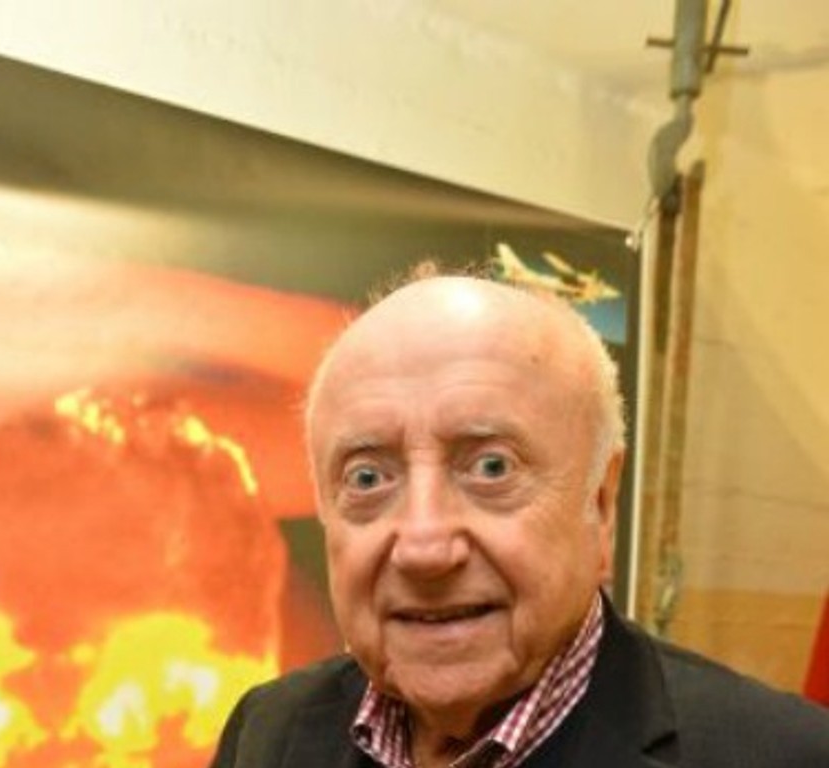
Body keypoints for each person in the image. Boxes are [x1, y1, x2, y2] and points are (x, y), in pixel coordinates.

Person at [210, 267, 829, 767]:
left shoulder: (788, 756)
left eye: (491, 468)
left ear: (601, 504)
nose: (424, 545)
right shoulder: (267, 732)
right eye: (368, 478)